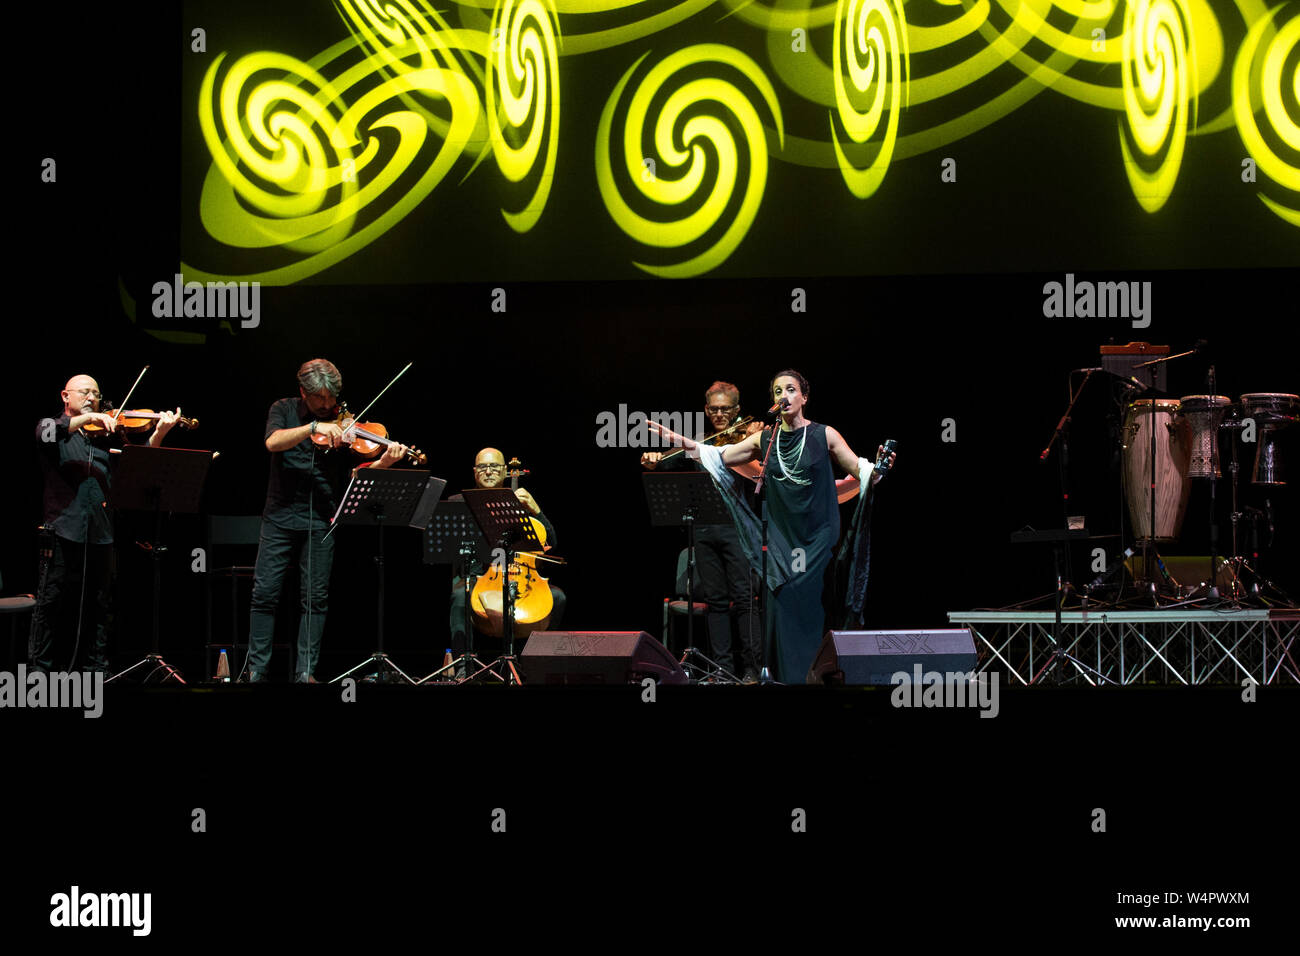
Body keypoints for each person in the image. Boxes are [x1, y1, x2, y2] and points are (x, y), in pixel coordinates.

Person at [649, 370, 895, 683]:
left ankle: (819, 675)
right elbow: (717, 455)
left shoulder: (824, 434)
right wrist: (682, 443)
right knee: (782, 603)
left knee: (813, 604)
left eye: (791, 389)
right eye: (778, 391)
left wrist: (878, 468)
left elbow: (860, 471)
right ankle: (786, 678)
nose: (784, 396)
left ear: (804, 397)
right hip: (782, 541)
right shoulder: (765, 440)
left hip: (819, 538)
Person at [245, 359, 409, 683]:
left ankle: (305, 673)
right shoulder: (283, 409)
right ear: (303, 393)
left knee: (315, 599)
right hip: (279, 516)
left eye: (331, 398)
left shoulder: (344, 421)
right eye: (319, 398)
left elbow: (357, 474)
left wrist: (386, 462)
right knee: (264, 593)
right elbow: (272, 442)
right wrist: (313, 428)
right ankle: (256, 671)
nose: (327, 405)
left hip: (322, 520)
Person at [29, 375, 180, 673]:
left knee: (100, 609)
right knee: (51, 606)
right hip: (62, 532)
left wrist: (159, 434)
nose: (91, 398)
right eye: (84, 392)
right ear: (65, 396)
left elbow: (139, 468)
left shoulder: (107, 437)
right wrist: (86, 420)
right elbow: (43, 433)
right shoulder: (54, 428)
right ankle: (39, 674)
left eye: (96, 394)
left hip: (101, 535)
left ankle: (96, 673)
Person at [641, 381, 763, 682]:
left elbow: (763, 472)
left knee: (745, 599)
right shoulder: (698, 442)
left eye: (726, 409)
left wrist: (755, 440)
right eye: (714, 409)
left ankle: (751, 668)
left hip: (738, 529)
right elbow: (669, 464)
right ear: (707, 410)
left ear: (737, 410)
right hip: (705, 529)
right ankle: (722, 668)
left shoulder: (749, 436)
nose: (719, 414)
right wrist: (654, 460)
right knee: (716, 602)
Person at [446, 448, 566, 677]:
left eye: (494, 467)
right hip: (476, 577)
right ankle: (464, 668)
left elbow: (550, 542)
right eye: (483, 467)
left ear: (504, 471)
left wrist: (536, 510)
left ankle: (534, 668)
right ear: (474, 472)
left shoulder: (521, 502)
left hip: (520, 577)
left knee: (557, 598)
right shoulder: (458, 503)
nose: (488, 471)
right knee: (460, 596)